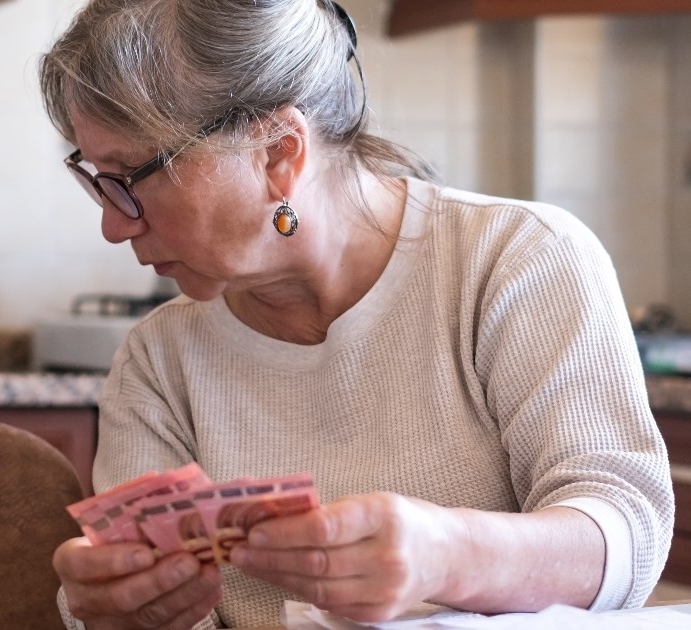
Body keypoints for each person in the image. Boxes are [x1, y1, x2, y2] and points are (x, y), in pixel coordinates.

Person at [38, 0, 674, 628]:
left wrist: (446, 556)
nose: (113, 226)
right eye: (97, 179)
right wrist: (120, 612)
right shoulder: (158, 361)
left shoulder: (516, 259)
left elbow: (626, 535)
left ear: (278, 153)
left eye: (130, 177)